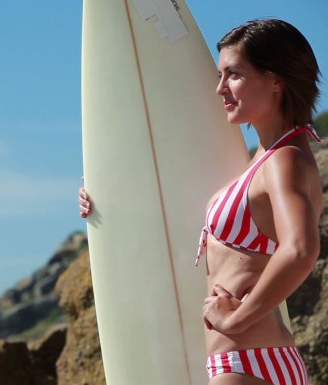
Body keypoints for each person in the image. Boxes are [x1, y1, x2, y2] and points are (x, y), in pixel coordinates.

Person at [79, 19, 322, 385]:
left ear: (276, 81)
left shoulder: (284, 161)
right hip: (249, 362)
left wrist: (235, 321)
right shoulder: (264, 161)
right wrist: (108, 199)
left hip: (248, 362)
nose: (219, 88)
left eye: (233, 74)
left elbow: (301, 250)